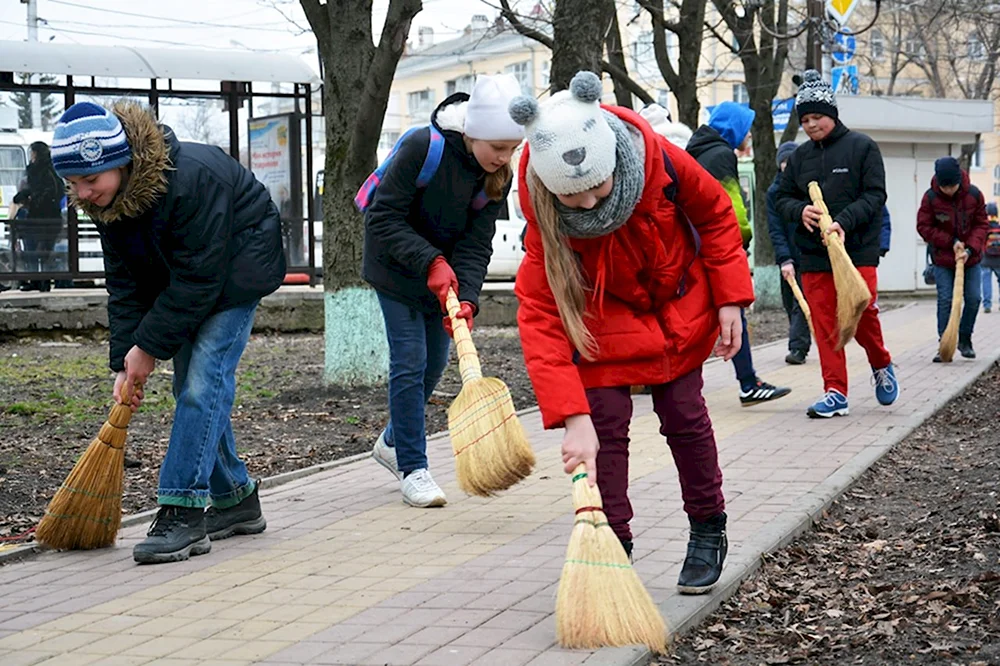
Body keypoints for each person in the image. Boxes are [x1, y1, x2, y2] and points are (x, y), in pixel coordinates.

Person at [509, 71, 754, 594]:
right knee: (604, 426)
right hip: (603, 319)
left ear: (611, 162)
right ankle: (613, 543)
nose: (590, 206)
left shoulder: (654, 156)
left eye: (596, 189)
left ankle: (708, 527)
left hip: (678, 302)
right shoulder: (546, 221)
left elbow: (714, 214)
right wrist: (571, 418)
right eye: (572, 200)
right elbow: (538, 315)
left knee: (685, 417)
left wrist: (731, 298)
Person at [51, 101, 286, 564]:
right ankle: (237, 500)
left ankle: (182, 510)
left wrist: (149, 348)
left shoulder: (192, 178)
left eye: (90, 180)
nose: (82, 192)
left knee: (203, 383)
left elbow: (201, 277)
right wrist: (126, 358)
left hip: (238, 267)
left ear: (118, 161)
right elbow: (125, 283)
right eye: (73, 183)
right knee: (192, 388)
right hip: (189, 278)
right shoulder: (106, 201)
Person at [363, 74, 524, 508]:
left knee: (433, 366)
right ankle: (413, 467)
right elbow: (383, 219)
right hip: (395, 269)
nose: (504, 158)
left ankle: (394, 439)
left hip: (444, 279)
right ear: (474, 133)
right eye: (498, 148)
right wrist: (431, 261)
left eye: (512, 149)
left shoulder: (497, 175)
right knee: (410, 361)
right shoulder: (422, 147)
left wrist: (467, 295)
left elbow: (477, 241)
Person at [775, 70, 899, 418]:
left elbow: (875, 195)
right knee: (826, 322)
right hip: (814, 255)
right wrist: (800, 211)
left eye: (817, 117)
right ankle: (835, 391)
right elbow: (780, 198)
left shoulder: (862, 147)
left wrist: (844, 222)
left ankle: (881, 363)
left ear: (832, 114)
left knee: (861, 313)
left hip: (857, 250)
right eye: (806, 119)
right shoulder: (799, 158)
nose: (811, 125)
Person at [687, 101, 791, 406]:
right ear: (733, 128)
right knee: (732, 313)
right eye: (745, 129)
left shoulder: (698, 152)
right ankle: (747, 383)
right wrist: (741, 238)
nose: (748, 135)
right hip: (717, 249)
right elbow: (730, 208)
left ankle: (741, 382)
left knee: (707, 319)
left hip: (695, 248)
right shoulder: (720, 156)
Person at [916, 156, 988, 360]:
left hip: (971, 259)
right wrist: (951, 242)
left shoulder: (974, 195)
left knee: (973, 299)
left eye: (953, 186)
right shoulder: (930, 198)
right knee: (945, 299)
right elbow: (924, 227)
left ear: (960, 180)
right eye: (945, 187)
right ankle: (945, 342)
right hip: (943, 259)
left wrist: (971, 249)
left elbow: (982, 224)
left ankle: (965, 339)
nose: (949, 190)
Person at [767, 140, 811, 365]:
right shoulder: (774, 193)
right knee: (789, 302)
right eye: (783, 161)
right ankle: (803, 339)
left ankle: (798, 348)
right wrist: (784, 258)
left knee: (800, 302)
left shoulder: (808, 189)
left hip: (809, 254)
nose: (786, 165)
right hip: (788, 256)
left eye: (790, 161)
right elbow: (776, 230)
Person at [12, 142, 64, 292]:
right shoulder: (45, 170)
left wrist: (32, 199)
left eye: (32, 153)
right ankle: (38, 281)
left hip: (44, 218)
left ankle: (41, 281)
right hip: (44, 217)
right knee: (36, 251)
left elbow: (50, 192)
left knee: (40, 251)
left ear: (36, 153)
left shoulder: (46, 171)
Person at [980, 202, 1000, 313]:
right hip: (999, 260)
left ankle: (987, 304)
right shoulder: (999, 227)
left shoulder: (984, 228)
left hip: (986, 259)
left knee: (986, 281)